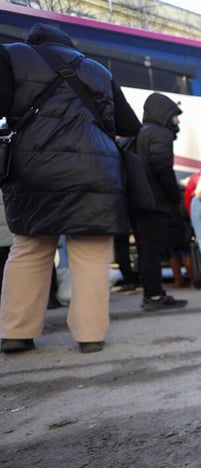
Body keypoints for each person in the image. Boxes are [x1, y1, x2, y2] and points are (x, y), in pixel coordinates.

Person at [0, 23, 141, 354]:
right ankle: (90, 335)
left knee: (30, 246)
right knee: (90, 250)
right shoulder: (97, 69)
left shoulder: (13, 55)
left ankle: (15, 332)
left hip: (34, 167)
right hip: (97, 169)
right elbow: (129, 125)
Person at [134, 92, 188, 310]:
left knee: (146, 249)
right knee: (153, 250)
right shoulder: (160, 134)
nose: (177, 121)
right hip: (156, 202)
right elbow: (163, 168)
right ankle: (155, 296)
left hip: (140, 201)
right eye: (174, 116)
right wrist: (175, 196)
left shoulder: (140, 133)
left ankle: (151, 293)